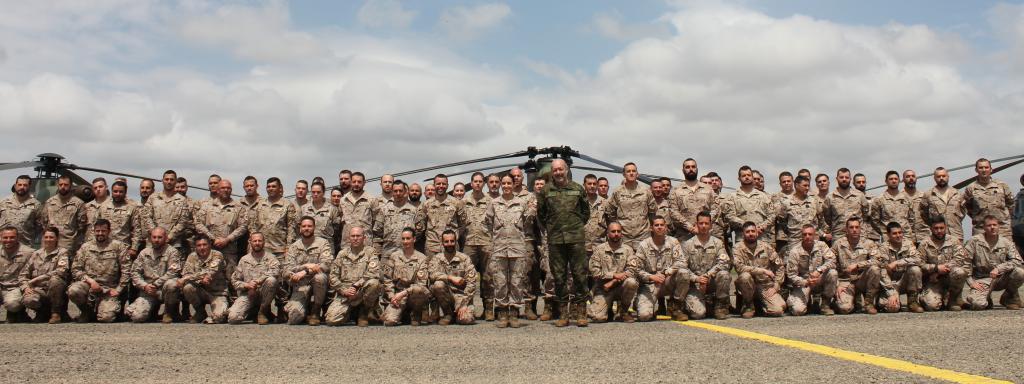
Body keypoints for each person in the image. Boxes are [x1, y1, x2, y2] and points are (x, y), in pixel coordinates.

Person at [536, 159, 590, 327]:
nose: (558, 173)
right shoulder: (545, 191)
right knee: (558, 277)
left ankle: (581, 312)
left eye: (561, 169)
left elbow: (585, 213)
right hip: (556, 240)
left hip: (576, 239)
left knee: (580, 276)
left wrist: (575, 226)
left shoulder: (578, 189)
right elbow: (541, 214)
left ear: (566, 170)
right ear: (552, 172)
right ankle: (563, 314)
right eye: (555, 170)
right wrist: (553, 228)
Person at [485, 174, 535, 328]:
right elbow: (487, 223)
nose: (506, 186)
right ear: (501, 185)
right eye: (504, 183)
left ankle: (514, 313)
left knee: (516, 281)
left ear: (514, 185)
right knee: (500, 282)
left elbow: (527, 223)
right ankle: (502, 313)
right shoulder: (493, 203)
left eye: (509, 183)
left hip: (517, 247)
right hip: (499, 248)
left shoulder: (522, 203)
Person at [67, 219, 131, 323]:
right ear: (94, 231)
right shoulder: (85, 247)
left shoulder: (118, 246)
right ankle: (86, 311)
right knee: (74, 290)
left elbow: (126, 271)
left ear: (109, 231)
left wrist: (119, 290)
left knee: (106, 318)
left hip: (109, 289)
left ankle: (110, 310)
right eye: (97, 231)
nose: (100, 233)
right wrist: (91, 281)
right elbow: (75, 269)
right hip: (89, 286)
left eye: (103, 231)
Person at [629, 216, 688, 322]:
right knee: (644, 316)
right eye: (656, 225)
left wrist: (668, 272)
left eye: (662, 225)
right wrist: (651, 276)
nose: (659, 227)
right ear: (651, 228)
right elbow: (636, 269)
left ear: (666, 227)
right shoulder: (643, 245)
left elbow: (682, 262)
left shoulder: (673, 242)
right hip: (650, 285)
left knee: (683, 273)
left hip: (667, 282)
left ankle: (676, 307)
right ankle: (639, 302)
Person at [963, 215, 1023, 310]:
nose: (992, 227)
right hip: (982, 280)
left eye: (995, 225)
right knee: (978, 305)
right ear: (984, 228)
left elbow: (1018, 261)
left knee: (1020, 272)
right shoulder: (974, 241)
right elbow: (965, 262)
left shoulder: (1006, 242)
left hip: (1001, 278)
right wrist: (970, 282)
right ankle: (986, 299)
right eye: (989, 225)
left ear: (999, 226)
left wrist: (999, 268)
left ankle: (1008, 296)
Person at [325, 226, 382, 327]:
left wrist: (356, 286)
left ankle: (364, 312)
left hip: (361, 291)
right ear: (349, 238)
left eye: (358, 236)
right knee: (331, 320)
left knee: (374, 283)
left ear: (364, 238)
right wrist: (343, 290)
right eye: (353, 236)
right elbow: (333, 276)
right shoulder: (342, 254)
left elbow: (374, 272)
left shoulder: (370, 252)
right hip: (345, 294)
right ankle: (350, 314)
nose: (355, 238)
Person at [193, 179, 248, 283]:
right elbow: (198, 223)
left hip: (230, 250)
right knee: (208, 276)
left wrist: (227, 239)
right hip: (210, 249)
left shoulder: (239, 207)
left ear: (231, 190)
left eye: (228, 188)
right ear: (217, 190)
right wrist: (212, 238)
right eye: (223, 188)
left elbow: (243, 226)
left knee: (231, 277)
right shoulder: (207, 206)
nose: (225, 190)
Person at [281, 216, 333, 326]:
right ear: (300, 228)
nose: (306, 228)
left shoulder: (323, 243)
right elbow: (287, 269)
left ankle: (315, 311)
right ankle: (305, 309)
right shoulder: (294, 247)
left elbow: (326, 264)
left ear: (314, 228)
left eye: (309, 226)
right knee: (294, 320)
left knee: (320, 277)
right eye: (304, 226)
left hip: (317, 282)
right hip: (300, 285)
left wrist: (306, 271)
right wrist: (305, 266)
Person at [680, 212, 731, 320]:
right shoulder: (687, 244)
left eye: (706, 223)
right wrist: (697, 279)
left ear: (711, 225)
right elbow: (682, 267)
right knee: (698, 314)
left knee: (724, 274)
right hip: (695, 285)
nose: (703, 226)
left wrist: (707, 276)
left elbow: (724, 263)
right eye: (701, 223)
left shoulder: (718, 243)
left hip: (711, 282)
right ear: (696, 225)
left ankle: (720, 306)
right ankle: (700, 303)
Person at [125, 227, 182, 323]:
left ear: (166, 238)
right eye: (154, 237)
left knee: (172, 284)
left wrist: (156, 284)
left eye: (160, 237)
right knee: (137, 317)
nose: (156, 240)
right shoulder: (144, 253)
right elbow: (134, 272)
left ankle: (168, 312)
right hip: (148, 292)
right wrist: (145, 286)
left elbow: (173, 272)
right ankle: (150, 311)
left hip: (163, 290)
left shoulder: (172, 252)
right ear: (150, 238)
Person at [732, 222, 785, 318]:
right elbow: (739, 267)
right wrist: (763, 271)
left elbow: (780, 266)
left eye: (753, 231)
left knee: (778, 310)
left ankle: (760, 307)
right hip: (748, 285)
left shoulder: (766, 247)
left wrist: (776, 285)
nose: (751, 234)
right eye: (747, 232)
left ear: (757, 232)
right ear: (743, 234)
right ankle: (748, 304)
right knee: (745, 276)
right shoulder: (737, 248)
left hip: (764, 286)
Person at [831, 217, 883, 315]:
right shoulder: (838, 244)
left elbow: (878, 261)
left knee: (875, 269)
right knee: (845, 309)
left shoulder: (869, 243)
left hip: (861, 280)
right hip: (845, 282)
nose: (854, 230)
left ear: (860, 229)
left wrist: (858, 265)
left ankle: (869, 303)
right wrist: (837, 285)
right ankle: (843, 301)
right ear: (846, 229)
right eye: (851, 227)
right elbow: (829, 263)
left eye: (857, 227)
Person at [587, 222, 637, 323]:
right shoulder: (599, 249)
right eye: (613, 231)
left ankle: (623, 311)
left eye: (619, 231)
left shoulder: (628, 250)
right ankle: (607, 309)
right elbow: (595, 272)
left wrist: (613, 281)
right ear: (607, 234)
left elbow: (632, 271)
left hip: (620, 287)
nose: (616, 234)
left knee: (631, 282)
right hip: (603, 288)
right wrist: (614, 275)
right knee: (598, 318)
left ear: (622, 234)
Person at [18, 227, 70, 323]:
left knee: (55, 280)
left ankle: (56, 313)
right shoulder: (36, 254)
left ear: (57, 238)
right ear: (42, 238)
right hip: (39, 291)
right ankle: (42, 312)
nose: (48, 240)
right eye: (46, 237)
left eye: (51, 237)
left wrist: (37, 279)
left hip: (56, 291)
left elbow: (61, 271)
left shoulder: (62, 252)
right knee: (28, 299)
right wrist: (25, 287)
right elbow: (23, 275)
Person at [227, 233, 280, 325]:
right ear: (250, 242)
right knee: (233, 319)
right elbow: (235, 281)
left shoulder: (271, 258)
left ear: (264, 242)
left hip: (264, 295)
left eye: (260, 240)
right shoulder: (244, 260)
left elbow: (276, 272)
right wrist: (247, 285)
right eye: (254, 241)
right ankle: (253, 312)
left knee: (272, 280)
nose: (257, 243)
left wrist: (258, 281)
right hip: (248, 295)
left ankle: (262, 311)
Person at [785, 225, 838, 316]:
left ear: (815, 236)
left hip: (819, 279)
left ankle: (825, 305)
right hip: (804, 283)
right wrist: (806, 281)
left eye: (810, 234)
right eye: (804, 234)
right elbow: (791, 275)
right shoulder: (795, 251)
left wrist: (819, 270)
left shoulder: (822, 245)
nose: (807, 236)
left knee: (833, 273)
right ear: (801, 236)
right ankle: (806, 302)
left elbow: (832, 260)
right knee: (798, 311)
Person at [461, 172, 494, 320]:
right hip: (469, 244)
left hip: (486, 242)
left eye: (481, 181)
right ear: (471, 183)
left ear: (484, 183)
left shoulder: (491, 201)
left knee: (488, 277)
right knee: (469, 277)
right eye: (475, 181)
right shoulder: (463, 201)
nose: (478, 184)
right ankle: (469, 308)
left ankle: (488, 309)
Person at [381, 228, 430, 326]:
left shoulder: (422, 258)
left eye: (408, 238)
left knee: (418, 290)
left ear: (414, 239)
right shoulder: (394, 256)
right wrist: (392, 296)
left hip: (413, 296)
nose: (405, 241)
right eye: (403, 239)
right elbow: (387, 279)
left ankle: (416, 313)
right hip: (398, 297)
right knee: (389, 321)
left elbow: (422, 284)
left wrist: (404, 293)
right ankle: (404, 314)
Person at [918, 220, 969, 311]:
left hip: (949, 277)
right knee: (932, 306)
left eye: (941, 228)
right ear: (931, 229)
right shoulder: (924, 243)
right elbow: (920, 263)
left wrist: (940, 271)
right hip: (933, 280)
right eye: (936, 228)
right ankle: (931, 297)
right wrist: (935, 268)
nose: (939, 230)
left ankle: (952, 300)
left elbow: (959, 259)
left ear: (945, 228)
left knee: (960, 272)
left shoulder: (953, 240)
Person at [429, 230, 478, 325]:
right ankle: (448, 314)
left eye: (452, 241)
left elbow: (472, 283)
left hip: (461, 296)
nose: (449, 244)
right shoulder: (437, 258)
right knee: (438, 284)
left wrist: (464, 305)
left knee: (466, 320)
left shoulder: (464, 259)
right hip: (445, 296)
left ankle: (458, 313)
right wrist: (450, 278)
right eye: (446, 241)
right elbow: (432, 275)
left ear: (456, 242)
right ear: (442, 243)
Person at [178, 235, 229, 324]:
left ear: (210, 245)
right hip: (200, 291)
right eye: (199, 245)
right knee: (188, 287)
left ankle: (218, 312)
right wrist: (200, 280)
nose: (202, 247)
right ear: (195, 247)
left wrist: (188, 277)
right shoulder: (192, 256)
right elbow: (186, 273)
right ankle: (200, 311)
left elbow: (211, 271)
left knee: (219, 317)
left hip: (217, 293)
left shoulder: (217, 255)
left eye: (204, 245)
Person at [605, 162, 656, 249]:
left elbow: (652, 211)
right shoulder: (617, 192)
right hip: (623, 237)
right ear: (624, 174)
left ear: (637, 174)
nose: (631, 173)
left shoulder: (646, 191)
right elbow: (609, 211)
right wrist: (617, 226)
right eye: (628, 171)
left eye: (633, 171)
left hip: (643, 236)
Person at [963, 158, 1016, 239]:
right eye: (981, 168)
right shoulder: (970, 188)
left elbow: (1011, 204)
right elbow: (967, 207)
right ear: (976, 170)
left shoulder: (1002, 185)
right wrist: (979, 217)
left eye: (986, 167)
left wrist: (1003, 218)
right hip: (980, 229)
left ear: (991, 169)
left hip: (1002, 229)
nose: (984, 170)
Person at [418, 174, 466, 257]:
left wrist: (454, 237)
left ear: (447, 185)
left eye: (443, 184)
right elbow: (420, 225)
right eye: (438, 184)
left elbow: (463, 224)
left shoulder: (456, 203)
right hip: (432, 248)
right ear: (434, 185)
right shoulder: (426, 204)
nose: (441, 186)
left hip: (451, 246)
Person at [880, 222, 924, 313]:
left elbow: (918, 260)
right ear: (888, 235)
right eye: (894, 233)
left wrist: (898, 262)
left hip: (905, 281)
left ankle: (913, 302)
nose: (898, 235)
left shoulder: (908, 244)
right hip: (891, 284)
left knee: (915, 269)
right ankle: (889, 299)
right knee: (892, 308)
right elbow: (882, 272)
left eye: (900, 232)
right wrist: (891, 293)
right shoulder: (883, 248)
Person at [669, 158, 716, 242]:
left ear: (697, 169)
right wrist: (690, 227)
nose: (691, 169)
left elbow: (715, 209)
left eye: (693, 167)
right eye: (687, 167)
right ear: (683, 170)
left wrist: (703, 225)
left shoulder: (708, 189)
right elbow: (673, 212)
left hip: (705, 235)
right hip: (684, 236)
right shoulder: (675, 190)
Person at [724, 165, 773, 243]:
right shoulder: (731, 197)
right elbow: (730, 216)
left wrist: (762, 227)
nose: (746, 177)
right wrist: (749, 227)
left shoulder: (764, 196)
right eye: (743, 175)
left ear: (752, 177)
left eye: (749, 175)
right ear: (739, 178)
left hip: (761, 238)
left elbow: (772, 215)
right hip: (742, 239)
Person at [777, 176, 824, 253]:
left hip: (812, 240)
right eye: (805, 185)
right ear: (796, 185)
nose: (807, 188)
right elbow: (782, 221)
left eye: (808, 186)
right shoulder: (786, 202)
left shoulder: (814, 201)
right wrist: (793, 231)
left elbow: (821, 218)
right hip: (794, 240)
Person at [822, 168, 870, 242]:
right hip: (838, 236)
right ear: (837, 178)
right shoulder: (830, 197)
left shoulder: (859, 195)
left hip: (858, 236)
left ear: (850, 179)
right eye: (841, 177)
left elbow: (865, 214)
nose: (844, 179)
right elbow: (827, 217)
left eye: (847, 177)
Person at [41, 175, 86, 253]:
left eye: (66, 185)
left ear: (71, 186)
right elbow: (44, 222)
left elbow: (81, 226)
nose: (63, 187)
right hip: (50, 243)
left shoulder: (78, 203)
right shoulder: (50, 202)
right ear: (57, 185)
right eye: (61, 184)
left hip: (68, 245)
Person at [921, 167, 966, 242]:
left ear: (948, 176)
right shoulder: (928, 195)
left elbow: (963, 211)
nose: (941, 178)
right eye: (938, 176)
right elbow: (923, 214)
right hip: (937, 236)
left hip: (956, 234)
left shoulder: (958, 194)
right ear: (934, 178)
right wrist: (933, 225)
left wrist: (954, 220)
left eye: (943, 176)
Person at [0, 226, 34, 322]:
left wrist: (27, 287)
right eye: (5, 237)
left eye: (12, 237)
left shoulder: (29, 253)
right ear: (0, 237)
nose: (8, 240)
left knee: (12, 304)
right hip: (1, 286)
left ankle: (18, 312)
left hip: (17, 287)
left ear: (18, 238)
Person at [0, 175, 42, 247]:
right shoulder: (3, 202)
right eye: (19, 185)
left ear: (29, 186)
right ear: (15, 186)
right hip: (4, 245)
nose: (22, 187)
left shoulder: (36, 205)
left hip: (25, 246)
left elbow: (39, 227)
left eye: (25, 185)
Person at [872, 171, 913, 243]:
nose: (894, 181)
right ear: (886, 181)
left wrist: (906, 229)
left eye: (896, 179)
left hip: (905, 236)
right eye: (891, 179)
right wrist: (885, 231)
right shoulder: (879, 199)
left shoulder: (907, 198)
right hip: (888, 237)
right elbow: (874, 220)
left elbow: (912, 218)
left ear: (899, 181)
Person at [339, 172, 376, 247]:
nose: (356, 184)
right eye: (354, 181)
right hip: (347, 244)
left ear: (364, 183)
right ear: (350, 182)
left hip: (365, 244)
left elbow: (377, 222)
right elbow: (340, 219)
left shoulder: (371, 200)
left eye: (359, 182)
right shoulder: (343, 200)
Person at [301, 182, 341, 252]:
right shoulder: (304, 208)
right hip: (308, 248)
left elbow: (337, 232)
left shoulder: (332, 209)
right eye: (313, 192)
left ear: (323, 193)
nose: (315, 194)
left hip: (326, 249)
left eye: (318, 192)